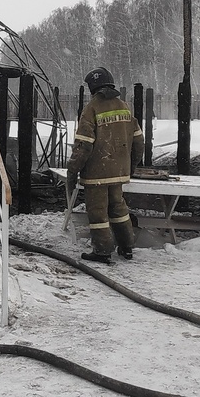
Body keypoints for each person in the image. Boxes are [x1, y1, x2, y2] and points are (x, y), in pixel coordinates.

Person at [67, 67, 143, 264]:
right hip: (119, 172)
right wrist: (131, 165)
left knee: (98, 212)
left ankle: (102, 251)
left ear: (93, 87)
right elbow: (138, 141)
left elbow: (84, 145)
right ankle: (127, 247)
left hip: (96, 173)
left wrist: (73, 169)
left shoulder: (92, 108)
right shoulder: (124, 106)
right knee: (118, 208)